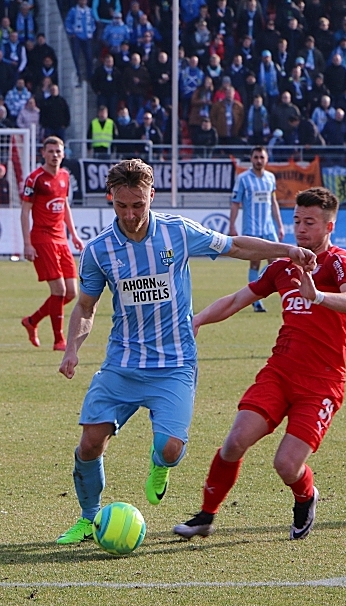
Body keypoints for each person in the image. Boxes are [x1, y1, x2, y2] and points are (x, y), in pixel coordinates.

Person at [54, 159, 317, 545]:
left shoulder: (177, 232)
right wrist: (72, 347)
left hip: (174, 364)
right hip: (122, 364)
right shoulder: (99, 251)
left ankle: (159, 464)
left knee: (171, 448)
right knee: (90, 443)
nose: (130, 215)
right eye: (122, 205)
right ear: (112, 199)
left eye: (138, 205)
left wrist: (287, 250)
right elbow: (86, 307)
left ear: (151, 197)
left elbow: (236, 245)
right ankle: (88, 517)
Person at [173, 187, 346, 541]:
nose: (302, 229)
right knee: (234, 442)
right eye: (297, 221)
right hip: (280, 372)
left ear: (329, 226)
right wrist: (196, 320)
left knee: (286, 464)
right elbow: (237, 299)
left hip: (322, 382)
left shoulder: (339, 261)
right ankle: (205, 516)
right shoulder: (282, 266)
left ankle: (306, 496)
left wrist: (318, 296)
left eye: (310, 222)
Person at [20, 137, 84, 352]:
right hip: (42, 237)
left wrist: (73, 235)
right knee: (59, 289)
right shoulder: (35, 179)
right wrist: (27, 243)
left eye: (58, 151)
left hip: (61, 239)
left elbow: (64, 205)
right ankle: (59, 340)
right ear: (43, 153)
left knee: (72, 292)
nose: (55, 155)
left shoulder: (65, 175)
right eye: (51, 151)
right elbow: (25, 211)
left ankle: (32, 320)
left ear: (63, 153)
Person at [229, 146, 284, 313]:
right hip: (251, 228)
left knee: (276, 264)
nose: (259, 160)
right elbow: (235, 203)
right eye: (256, 157)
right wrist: (232, 224)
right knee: (255, 263)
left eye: (262, 157)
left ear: (266, 159)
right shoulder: (243, 178)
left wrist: (279, 224)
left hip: (268, 228)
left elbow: (273, 202)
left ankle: (284, 297)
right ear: (251, 159)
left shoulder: (270, 178)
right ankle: (256, 300)